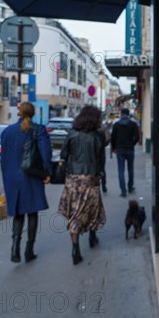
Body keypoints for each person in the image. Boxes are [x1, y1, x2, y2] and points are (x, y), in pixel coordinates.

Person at [0, 102, 52, 263]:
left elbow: (4, 157)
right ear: (33, 113)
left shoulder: (7, 131)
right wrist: (47, 173)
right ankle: (29, 250)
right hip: (31, 175)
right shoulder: (38, 130)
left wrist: (7, 177)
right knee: (32, 211)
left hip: (12, 177)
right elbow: (46, 153)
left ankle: (15, 246)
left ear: (19, 112)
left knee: (18, 211)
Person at [58, 105, 106, 265]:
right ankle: (92, 237)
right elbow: (101, 158)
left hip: (73, 179)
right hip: (91, 178)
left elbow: (63, 154)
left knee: (75, 213)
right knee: (93, 208)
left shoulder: (72, 134)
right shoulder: (97, 136)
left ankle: (75, 247)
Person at [110, 108, 139, 197]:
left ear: (121, 114)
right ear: (128, 114)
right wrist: (132, 144)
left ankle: (123, 191)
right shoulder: (133, 124)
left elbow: (113, 138)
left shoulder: (116, 125)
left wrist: (114, 148)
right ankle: (130, 187)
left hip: (120, 150)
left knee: (121, 170)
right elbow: (137, 137)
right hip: (130, 149)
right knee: (130, 169)